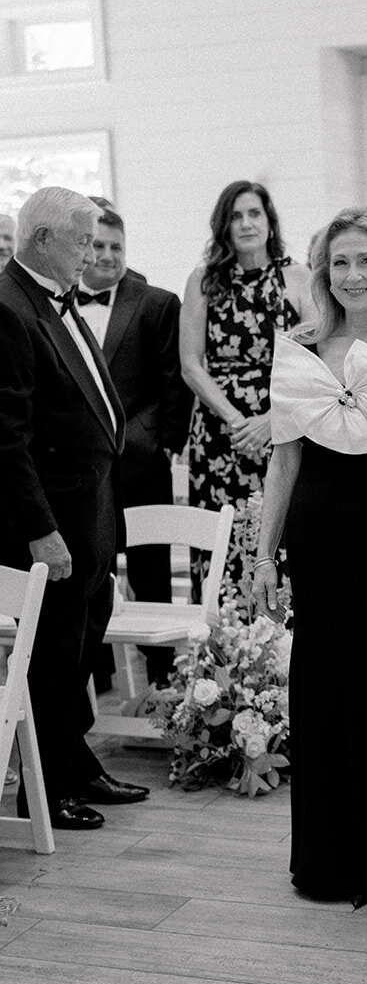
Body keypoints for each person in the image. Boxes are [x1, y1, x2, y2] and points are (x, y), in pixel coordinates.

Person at [251, 208, 367, 903]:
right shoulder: (299, 348)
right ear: (323, 274)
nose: (351, 275)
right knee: (323, 680)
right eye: (339, 263)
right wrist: (266, 556)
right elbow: (283, 462)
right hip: (319, 534)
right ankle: (332, 858)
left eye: (365, 261)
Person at [0, 187, 149, 828]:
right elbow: (5, 437)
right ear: (42, 240)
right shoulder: (9, 308)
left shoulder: (52, 298)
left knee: (82, 648)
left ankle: (77, 764)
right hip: (53, 522)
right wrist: (41, 531)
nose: (91, 253)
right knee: (53, 656)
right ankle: (46, 789)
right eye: (82, 240)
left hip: (92, 507)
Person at [79, 203, 192, 689]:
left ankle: (163, 677)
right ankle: (97, 671)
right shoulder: (54, 305)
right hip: (79, 471)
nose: (107, 256)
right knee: (89, 569)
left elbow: (174, 385)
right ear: (82, 248)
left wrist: (160, 444)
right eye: (98, 246)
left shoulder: (156, 303)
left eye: (116, 247)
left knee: (151, 571)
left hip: (141, 462)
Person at [180, 180, 311, 590]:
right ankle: (227, 646)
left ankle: (282, 645)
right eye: (236, 216)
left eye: (254, 213)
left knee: (280, 535)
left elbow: (316, 361)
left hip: (283, 423)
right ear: (224, 227)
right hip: (221, 430)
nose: (246, 223)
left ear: (270, 222)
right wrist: (239, 421)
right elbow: (190, 364)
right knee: (223, 539)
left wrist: (269, 421)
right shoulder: (204, 280)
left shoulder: (299, 278)